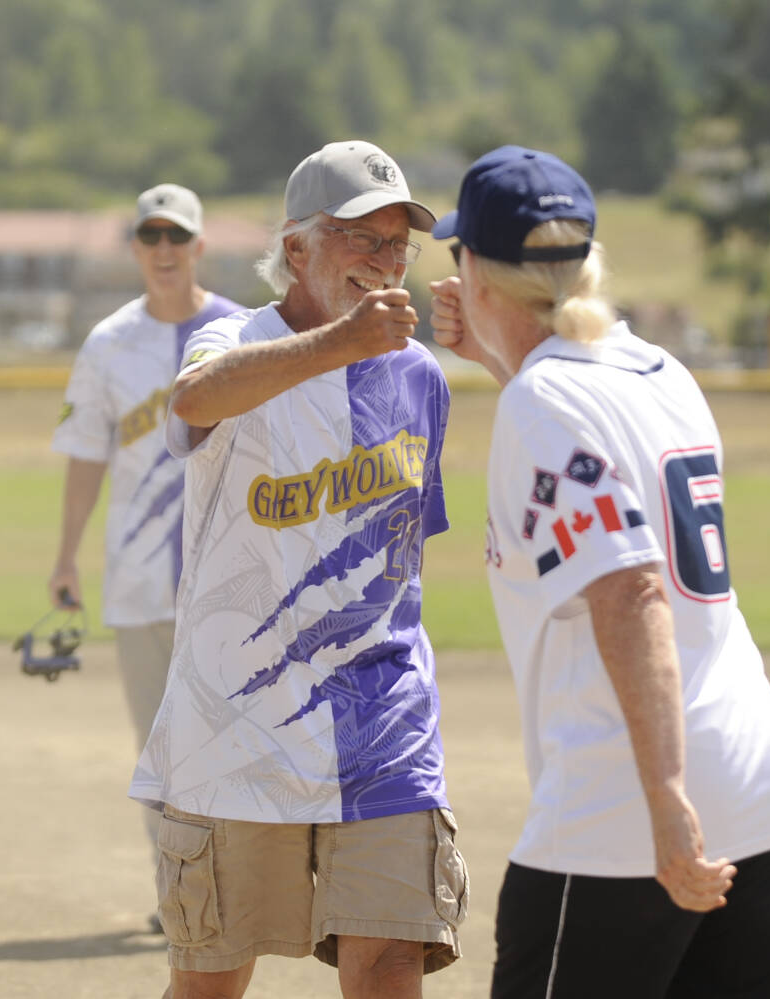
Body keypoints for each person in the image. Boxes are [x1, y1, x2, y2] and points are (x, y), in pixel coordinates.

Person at [429, 146, 770, 998]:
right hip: (757, 787)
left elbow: (631, 589)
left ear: (473, 269)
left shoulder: (540, 403)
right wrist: (504, 359)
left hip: (621, 812)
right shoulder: (661, 371)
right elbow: (581, 424)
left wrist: (664, 798)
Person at [128, 140, 467, 999]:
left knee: (390, 962)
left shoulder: (419, 376)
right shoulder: (228, 340)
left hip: (383, 726)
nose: (386, 262)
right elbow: (193, 402)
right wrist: (339, 344)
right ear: (295, 250)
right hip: (237, 723)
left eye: (400, 245)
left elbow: (404, 552)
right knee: (211, 978)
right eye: (364, 238)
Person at [49, 183, 244, 932]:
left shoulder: (241, 330)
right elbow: (84, 454)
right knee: (159, 746)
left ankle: (236, 885)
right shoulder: (108, 344)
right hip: (138, 578)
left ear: (200, 246)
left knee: (230, 738)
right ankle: (181, 897)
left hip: (234, 578)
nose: (164, 250)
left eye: (178, 236)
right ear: (135, 246)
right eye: (150, 236)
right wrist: (65, 555)